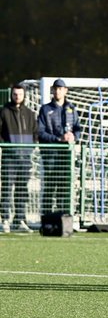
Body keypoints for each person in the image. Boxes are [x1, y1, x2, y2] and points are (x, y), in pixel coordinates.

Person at [37, 78, 82, 216]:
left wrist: (74, 136)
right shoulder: (45, 109)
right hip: (51, 155)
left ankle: (64, 218)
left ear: (65, 90)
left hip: (67, 155)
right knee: (50, 187)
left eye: (60, 88)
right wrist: (58, 139)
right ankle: (47, 219)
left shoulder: (71, 108)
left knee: (65, 187)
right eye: (55, 88)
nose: (58, 91)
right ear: (52, 90)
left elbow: (77, 128)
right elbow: (40, 132)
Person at [0, 83, 37, 233]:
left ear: (24, 95)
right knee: (7, 188)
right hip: (9, 158)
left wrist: (30, 147)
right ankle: (5, 219)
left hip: (25, 158)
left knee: (22, 189)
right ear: (11, 95)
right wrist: (7, 147)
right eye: (15, 94)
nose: (17, 97)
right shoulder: (4, 112)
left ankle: (20, 219)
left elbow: (35, 133)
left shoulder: (30, 113)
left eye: (20, 94)